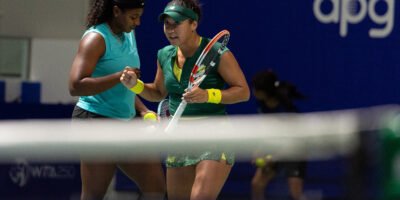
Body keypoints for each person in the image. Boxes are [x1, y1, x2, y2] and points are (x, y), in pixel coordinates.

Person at [120, 0, 250, 199]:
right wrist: (135, 85)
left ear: (193, 24)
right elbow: (157, 93)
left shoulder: (218, 53)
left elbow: (243, 92)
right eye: (167, 24)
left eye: (176, 24)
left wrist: (209, 95)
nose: (170, 30)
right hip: (180, 139)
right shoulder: (164, 54)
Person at [68, 0, 166, 199]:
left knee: (155, 187)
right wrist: (118, 76)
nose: (137, 22)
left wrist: (142, 109)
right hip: (95, 121)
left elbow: (125, 86)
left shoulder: (129, 33)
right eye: (133, 16)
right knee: (93, 195)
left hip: (127, 122)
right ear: (115, 11)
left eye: (139, 16)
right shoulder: (95, 38)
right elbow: (75, 86)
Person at [250, 70, 307, 200]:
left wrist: (273, 158)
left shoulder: (287, 111)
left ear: (265, 92)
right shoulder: (262, 105)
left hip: (294, 151)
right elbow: (266, 132)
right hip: (275, 148)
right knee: (256, 184)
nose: (253, 91)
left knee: (295, 193)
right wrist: (258, 151)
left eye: (256, 89)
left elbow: (293, 142)